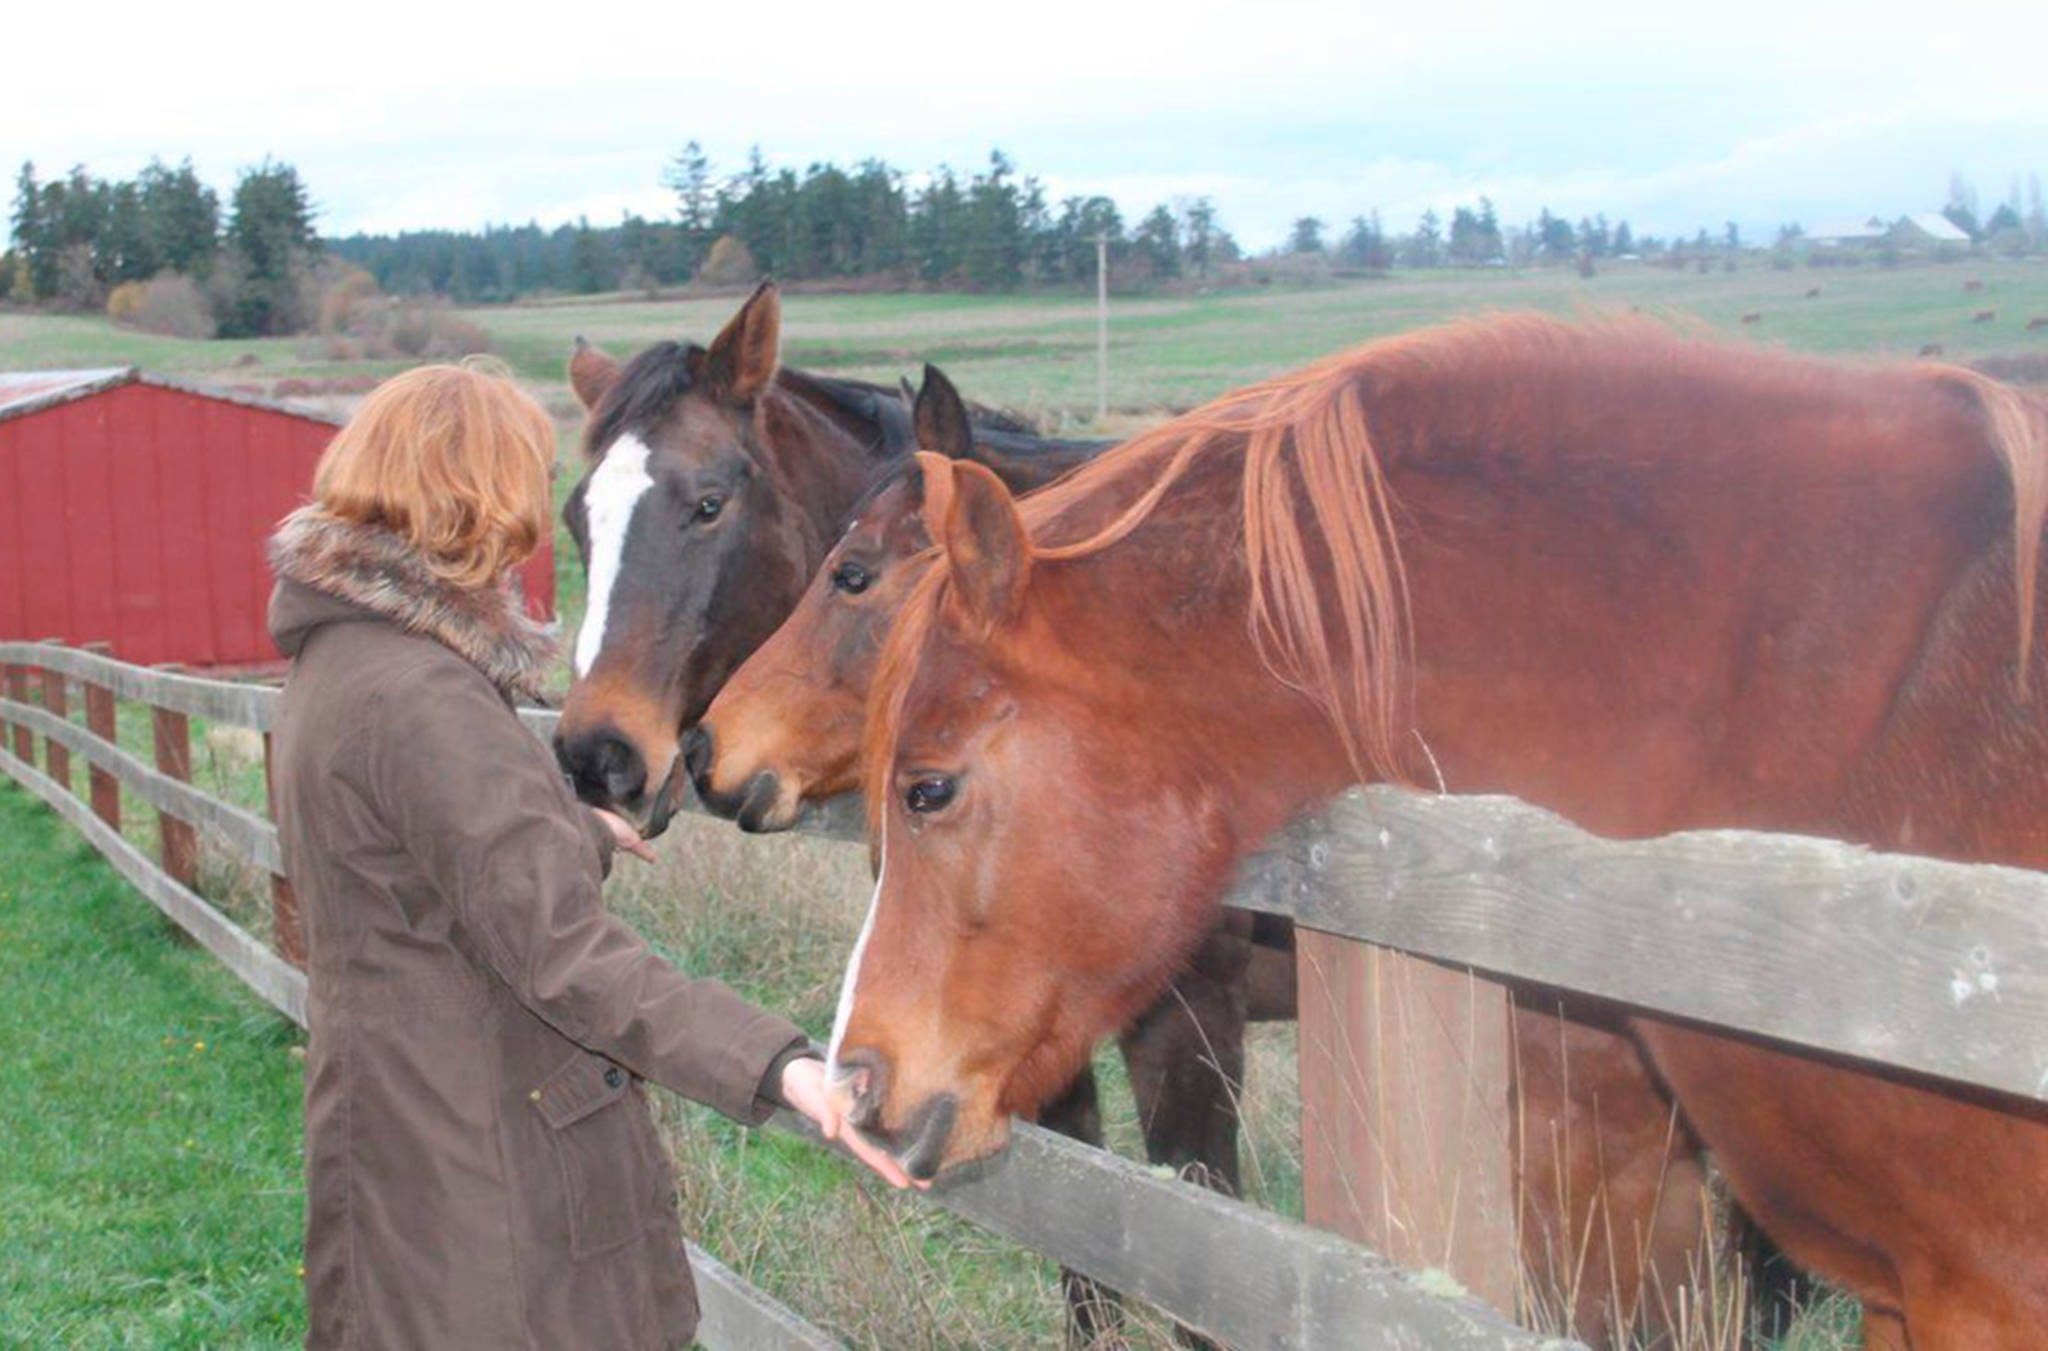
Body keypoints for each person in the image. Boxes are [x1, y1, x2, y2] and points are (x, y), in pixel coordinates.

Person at [266, 360, 910, 1349]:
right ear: (473, 496)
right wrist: (777, 1063)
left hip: (391, 1125)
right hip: (483, 1172)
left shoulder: (338, 664)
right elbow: (564, 959)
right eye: (519, 481)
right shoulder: (425, 699)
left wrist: (565, 828)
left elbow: (412, 858)